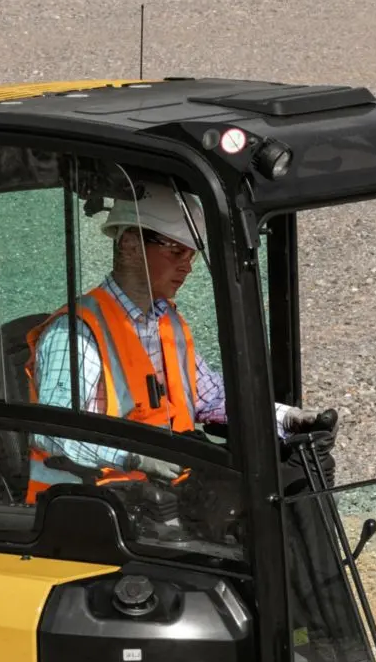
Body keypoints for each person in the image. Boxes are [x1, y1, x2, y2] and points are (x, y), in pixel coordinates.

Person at [26, 180, 316, 499]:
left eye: (191, 255)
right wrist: (132, 457)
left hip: (162, 495)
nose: (187, 266)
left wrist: (287, 419)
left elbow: (211, 397)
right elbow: (52, 431)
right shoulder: (76, 333)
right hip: (90, 507)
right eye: (176, 251)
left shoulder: (168, 322)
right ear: (131, 245)